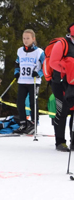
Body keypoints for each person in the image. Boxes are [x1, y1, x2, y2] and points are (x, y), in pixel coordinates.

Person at [13, 29, 45, 134]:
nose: (25, 40)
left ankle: (34, 123)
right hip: (22, 81)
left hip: (34, 81)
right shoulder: (20, 51)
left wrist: (39, 73)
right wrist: (16, 72)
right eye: (24, 38)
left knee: (33, 102)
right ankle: (23, 123)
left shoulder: (39, 52)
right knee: (20, 103)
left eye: (28, 38)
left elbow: (45, 66)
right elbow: (17, 63)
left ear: (33, 39)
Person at [49, 23, 74, 151]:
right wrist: (68, 69)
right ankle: (60, 142)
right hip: (60, 83)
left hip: (73, 83)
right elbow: (53, 62)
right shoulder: (62, 44)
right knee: (62, 111)